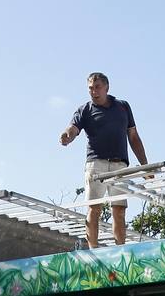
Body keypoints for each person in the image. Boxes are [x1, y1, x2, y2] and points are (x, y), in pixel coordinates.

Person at [59, 72, 149, 247]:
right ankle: (93, 248)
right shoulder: (85, 109)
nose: (94, 91)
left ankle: (119, 248)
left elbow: (134, 137)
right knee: (94, 207)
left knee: (119, 209)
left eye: (97, 87)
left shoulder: (122, 106)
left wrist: (145, 166)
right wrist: (67, 136)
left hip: (120, 164)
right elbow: (73, 128)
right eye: (91, 88)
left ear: (107, 87)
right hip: (96, 163)